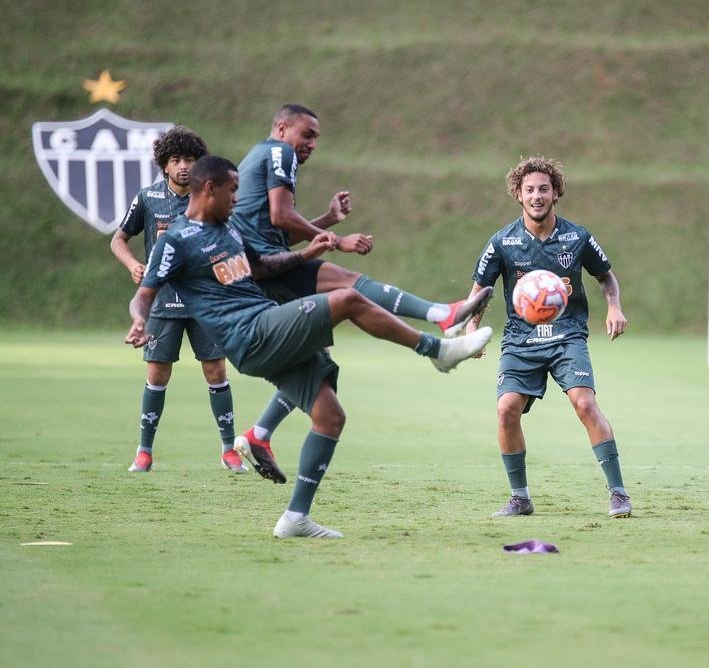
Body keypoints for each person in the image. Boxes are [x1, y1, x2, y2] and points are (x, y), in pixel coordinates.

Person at [126, 155, 492, 538]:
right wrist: (139, 320)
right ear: (209, 189)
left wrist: (307, 253)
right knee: (347, 299)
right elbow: (145, 294)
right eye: (232, 190)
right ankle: (438, 351)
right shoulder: (176, 241)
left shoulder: (229, 229)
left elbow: (264, 267)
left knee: (330, 417)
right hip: (248, 333)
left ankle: (295, 518)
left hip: (265, 324)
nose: (237, 197)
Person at [230, 104, 492, 475]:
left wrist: (327, 221)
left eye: (317, 137)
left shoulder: (262, 155)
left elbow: (276, 229)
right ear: (282, 128)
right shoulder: (279, 153)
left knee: (315, 357)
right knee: (349, 286)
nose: (313, 144)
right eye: (307, 134)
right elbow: (280, 216)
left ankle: (259, 434)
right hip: (264, 269)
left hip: (262, 265)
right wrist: (335, 239)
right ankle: (441, 320)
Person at [462, 156, 631, 518]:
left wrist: (614, 307)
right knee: (506, 409)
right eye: (529, 190)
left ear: (556, 193)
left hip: (567, 336)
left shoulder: (577, 236)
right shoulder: (502, 242)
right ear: (518, 196)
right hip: (521, 340)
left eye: (543, 189)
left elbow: (606, 276)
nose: (536, 196)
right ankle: (520, 498)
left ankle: (618, 493)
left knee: (585, 403)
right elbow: (480, 289)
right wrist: (472, 327)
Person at [110, 126, 244, 473]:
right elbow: (118, 239)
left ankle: (229, 450)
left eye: (190, 159)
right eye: (175, 160)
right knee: (157, 373)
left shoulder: (209, 199)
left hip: (205, 302)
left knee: (216, 370)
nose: (183, 166)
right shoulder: (149, 198)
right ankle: (144, 451)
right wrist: (133, 264)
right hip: (163, 301)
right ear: (164, 165)